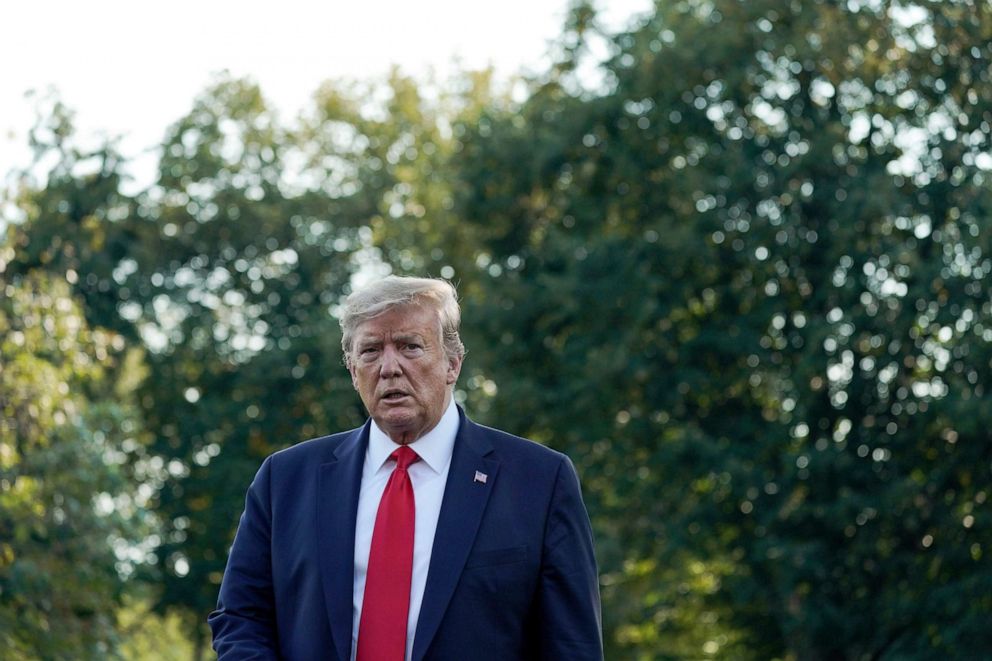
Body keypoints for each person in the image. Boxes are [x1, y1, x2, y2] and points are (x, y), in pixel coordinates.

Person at [208, 275, 602, 660]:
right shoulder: (285, 479)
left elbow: (573, 644)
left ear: (453, 364)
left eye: (410, 347)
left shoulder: (538, 480)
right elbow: (241, 617)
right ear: (352, 370)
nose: (389, 367)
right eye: (371, 351)